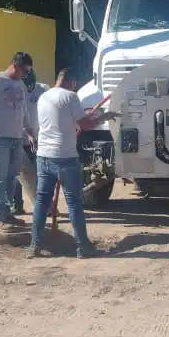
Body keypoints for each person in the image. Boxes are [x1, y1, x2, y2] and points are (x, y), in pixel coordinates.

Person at [29, 70, 117, 259]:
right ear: (72, 82)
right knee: (74, 204)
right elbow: (84, 125)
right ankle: (82, 248)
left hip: (43, 156)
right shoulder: (70, 97)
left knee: (42, 202)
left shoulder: (43, 96)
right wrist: (104, 117)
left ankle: (34, 245)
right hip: (65, 157)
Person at [0, 52, 36, 230]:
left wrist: (29, 131)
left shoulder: (20, 85)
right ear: (15, 66)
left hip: (16, 137)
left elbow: (24, 110)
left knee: (12, 177)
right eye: (25, 71)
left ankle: (7, 212)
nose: (26, 75)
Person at [12, 67, 46, 216]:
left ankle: (43, 205)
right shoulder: (16, 90)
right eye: (26, 84)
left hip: (39, 139)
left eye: (31, 84)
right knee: (17, 175)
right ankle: (16, 205)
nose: (28, 87)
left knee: (40, 174)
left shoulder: (43, 90)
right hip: (19, 138)